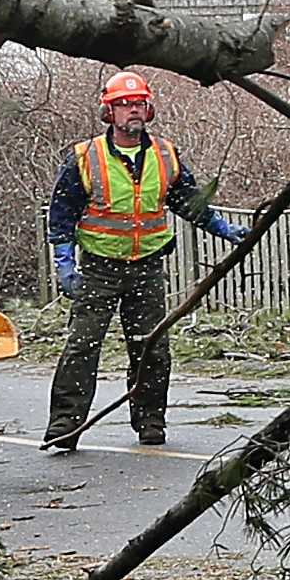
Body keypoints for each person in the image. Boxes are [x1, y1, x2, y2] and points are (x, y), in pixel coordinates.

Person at [41, 72, 242, 452]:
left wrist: (222, 227)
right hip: (99, 267)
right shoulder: (86, 158)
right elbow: (62, 213)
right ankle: (65, 423)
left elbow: (188, 202)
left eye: (138, 104)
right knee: (82, 345)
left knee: (150, 346)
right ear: (109, 112)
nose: (132, 111)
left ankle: (151, 420)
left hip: (148, 266)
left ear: (148, 109)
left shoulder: (165, 155)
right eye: (124, 105)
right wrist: (64, 262)